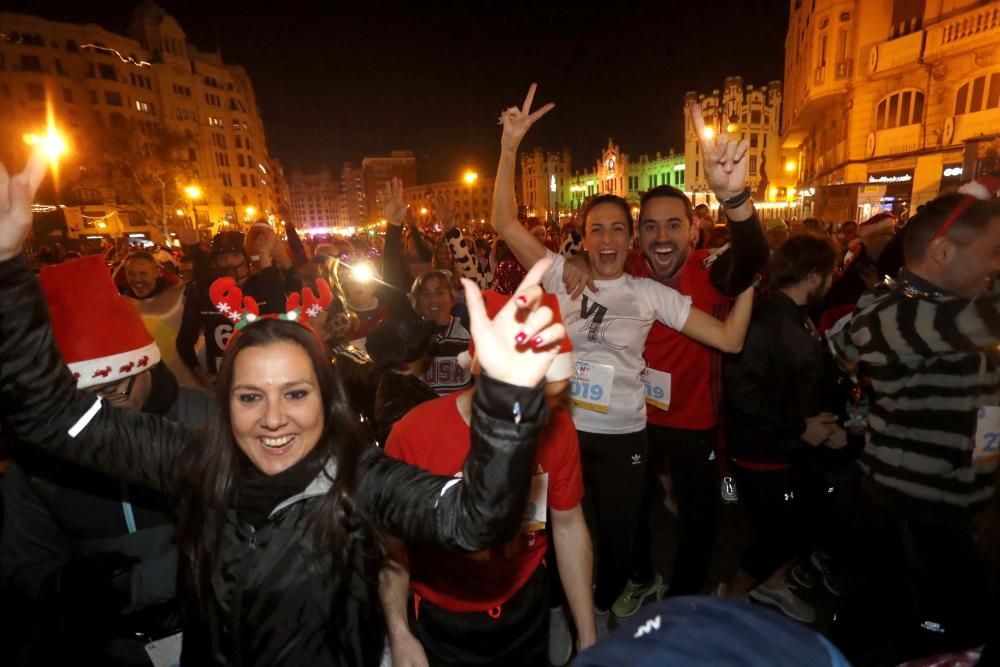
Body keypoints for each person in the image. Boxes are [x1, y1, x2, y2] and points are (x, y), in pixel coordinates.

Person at [0, 147, 568, 667]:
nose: (274, 417)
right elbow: (49, 416)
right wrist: (7, 266)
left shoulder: (357, 475)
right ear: (225, 404)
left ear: (326, 400)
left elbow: (474, 522)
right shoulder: (195, 459)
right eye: (251, 397)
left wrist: (505, 399)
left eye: (296, 393)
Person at [490, 84, 755, 633]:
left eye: (617, 229)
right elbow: (504, 224)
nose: (607, 239)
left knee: (617, 532)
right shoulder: (562, 274)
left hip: (625, 437)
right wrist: (510, 146)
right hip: (561, 427)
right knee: (554, 523)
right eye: (596, 230)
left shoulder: (647, 293)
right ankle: (562, 608)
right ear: (581, 238)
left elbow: (729, 340)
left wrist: (752, 277)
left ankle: (606, 607)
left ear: (629, 236)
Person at [1, 255, 215, 665]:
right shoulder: (37, 459)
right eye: (90, 397)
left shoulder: (206, 419)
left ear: (147, 364)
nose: (109, 409)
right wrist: (68, 585)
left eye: (120, 387)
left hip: (212, 629)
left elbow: (256, 528)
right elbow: (21, 566)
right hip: (109, 647)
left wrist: (141, 584)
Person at [828, 183, 1000, 663]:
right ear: (943, 251)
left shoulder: (953, 313)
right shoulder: (891, 313)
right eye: (993, 252)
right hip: (907, 515)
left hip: (961, 512)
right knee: (896, 635)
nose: (995, 265)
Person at [380, 292, 595, 667]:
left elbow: (568, 525)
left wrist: (588, 635)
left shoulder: (558, 430)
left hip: (527, 606)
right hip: (443, 621)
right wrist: (399, 633)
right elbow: (390, 547)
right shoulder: (413, 434)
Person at [719, 235, 846, 623]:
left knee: (800, 526)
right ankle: (732, 598)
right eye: (829, 272)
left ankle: (771, 583)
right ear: (812, 276)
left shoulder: (795, 314)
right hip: (765, 451)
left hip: (791, 445)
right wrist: (799, 426)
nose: (834, 278)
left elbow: (801, 380)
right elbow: (741, 393)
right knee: (779, 533)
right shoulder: (766, 320)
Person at [120, 250, 201, 388]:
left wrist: (195, 247)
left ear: (157, 272)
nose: (137, 279)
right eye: (131, 274)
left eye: (143, 273)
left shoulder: (181, 294)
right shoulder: (120, 304)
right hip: (143, 389)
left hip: (183, 383)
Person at [411, 269, 473, 395]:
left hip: (458, 413)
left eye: (439, 293)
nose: (433, 300)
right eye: (425, 294)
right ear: (417, 301)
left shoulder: (469, 334)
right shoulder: (409, 338)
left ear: (452, 299)